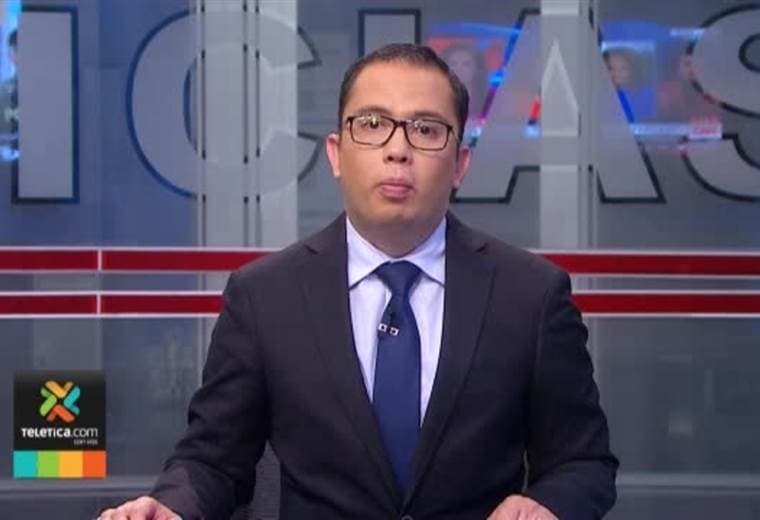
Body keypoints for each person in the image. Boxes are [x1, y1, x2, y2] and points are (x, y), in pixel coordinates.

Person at [99, 43, 617, 520]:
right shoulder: (265, 296)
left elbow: (583, 463)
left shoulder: (529, 295)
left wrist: (548, 505)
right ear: (336, 153)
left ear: (460, 164)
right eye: (372, 124)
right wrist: (170, 507)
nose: (398, 150)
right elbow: (213, 460)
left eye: (426, 130)